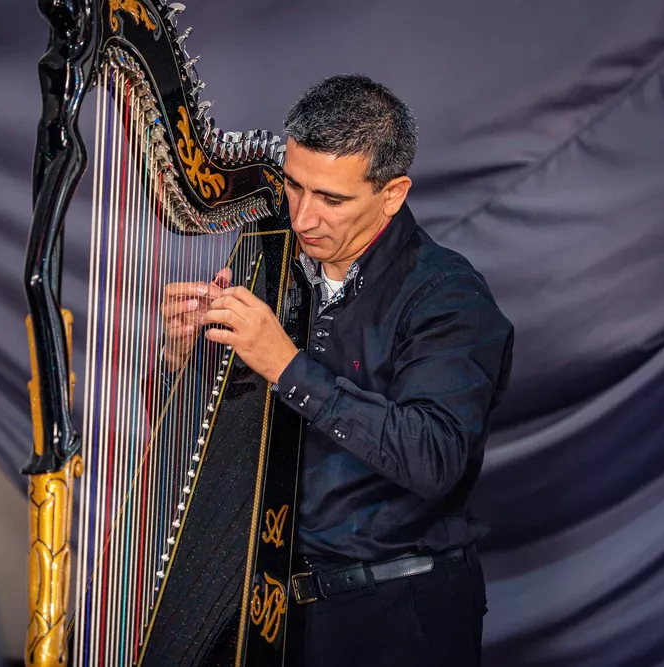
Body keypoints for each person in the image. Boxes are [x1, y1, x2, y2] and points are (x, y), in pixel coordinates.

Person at [160, 74, 514, 666]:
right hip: (268, 613)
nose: (303, 218)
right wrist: (183, 357)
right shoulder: (270, 261)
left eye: (332, 198)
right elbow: (212, 442)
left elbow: (434, 460)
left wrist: (288, 365)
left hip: (395, 616)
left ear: (393, 194)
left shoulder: (447, 295)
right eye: (295, 188)